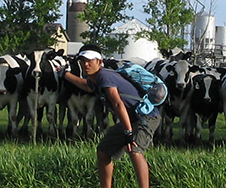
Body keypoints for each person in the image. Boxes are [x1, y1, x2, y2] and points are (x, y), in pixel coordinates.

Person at [61, 46, 160, 188]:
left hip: (146, 118)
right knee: (103, 152)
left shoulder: (104, 77)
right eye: (83, 61)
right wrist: (65, 74)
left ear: (99, 62)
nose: (86, 64)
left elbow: (117, 103)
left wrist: (128, 133)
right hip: (131, 119)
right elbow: (88, 86)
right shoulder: (96, 78)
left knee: (134, 150)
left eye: (90, 61)